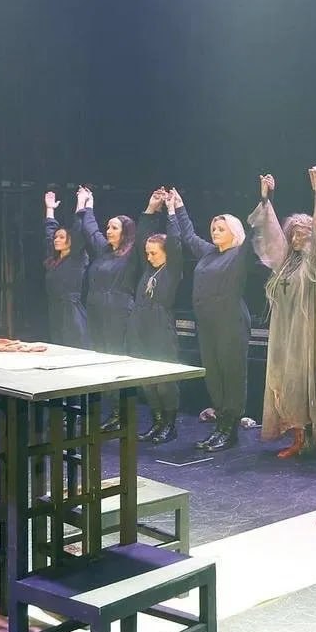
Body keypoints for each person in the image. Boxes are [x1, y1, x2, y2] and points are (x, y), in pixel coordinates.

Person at [249, 167, 316, 459]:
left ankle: (308, 438)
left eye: (303, 234)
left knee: (302, 381)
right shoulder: (285, 262)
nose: (297, 239)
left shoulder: (315, 265)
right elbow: (270, 234)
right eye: (294, 234)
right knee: (283, 380)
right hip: (283, 331)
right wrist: (266, 198)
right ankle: (296, 435)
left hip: (305, 332)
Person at [169, 187, 252, 453]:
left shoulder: (240, 254)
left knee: (232, 374)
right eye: (214, 228)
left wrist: (266, 199)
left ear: (234, 232)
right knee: (214, 375)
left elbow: (258, 233)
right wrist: (179, 207)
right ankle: (220, 424)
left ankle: (230, 429)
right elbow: (188, 235)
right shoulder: (208, 252)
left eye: (221, 228)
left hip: (231, 322)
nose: (215, 232)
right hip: (206, 323)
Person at [79, 185, 159, 430]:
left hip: (119, 314)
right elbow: (91, 230)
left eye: (114, 227)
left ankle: (123, 413)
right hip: (97, 314)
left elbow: (144, 232)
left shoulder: (132, 255)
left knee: (117, 362)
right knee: (102, 361)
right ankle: (115, 411)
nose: (108, 231)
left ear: (125, 232)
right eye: (108, 227)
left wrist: (150, 209)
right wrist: (88, 205)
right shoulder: (103, 251)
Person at [129, 189, 184, 444]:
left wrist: (171, 212)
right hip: (140, 325)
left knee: (164, 380)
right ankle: (157, 420)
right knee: (147, 379)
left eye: (154, 253)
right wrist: (151, 208)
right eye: (147, 253)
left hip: (161, 327)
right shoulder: (147, 270)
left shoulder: (172, 269)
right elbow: (142, 235)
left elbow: (175, 241)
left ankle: (169, 425)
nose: (149, 257)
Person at [43, 191, 89, 348]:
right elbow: (49, 234)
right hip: (55, 307)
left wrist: (80, 204)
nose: (57, 239)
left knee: (75, 344)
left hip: (72, 309)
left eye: (62, 237)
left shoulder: (77, 258)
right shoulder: (54, 260)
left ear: (71, 240)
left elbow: (78, 230)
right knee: (58, 344)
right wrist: (50, 209)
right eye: (56, 237)